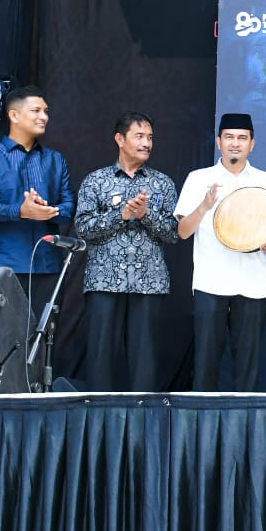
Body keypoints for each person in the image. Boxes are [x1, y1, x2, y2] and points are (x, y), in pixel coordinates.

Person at [73, 112, 179, 392]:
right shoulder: (96, 181)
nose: (147, 143)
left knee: (145, 361)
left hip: (149, 283)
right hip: (104, 281)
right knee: (100, 358)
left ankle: (142, 415)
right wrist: (120, 215)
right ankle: (99, 414)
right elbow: (82, 228)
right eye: (139, 136)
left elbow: (173, 233)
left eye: (150, 138)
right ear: (120, 139)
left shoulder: (162, 183)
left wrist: (145, 215)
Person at [174, 112, 266, 391]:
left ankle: (245, 418)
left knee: (248, 369)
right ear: (218, 142)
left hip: (253, 283)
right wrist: (205, 206)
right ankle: (203, 418)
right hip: (212, 282)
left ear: (252, 144)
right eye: (229, 137)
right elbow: (183, 231)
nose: (235, 143)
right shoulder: (199, 178)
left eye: (242, 138)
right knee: (206, 365)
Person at [0, 85, 75, 322]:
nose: (43, 117)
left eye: (46, 111)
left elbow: (69, 206)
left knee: (43, 333)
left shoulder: (55, 159)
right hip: (3, 263)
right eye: (36, 110)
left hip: (47, 265)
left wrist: (50, 211)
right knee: (1, 333)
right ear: (14, 115)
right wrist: (20, 211)